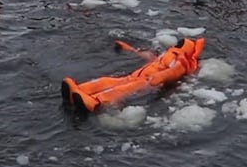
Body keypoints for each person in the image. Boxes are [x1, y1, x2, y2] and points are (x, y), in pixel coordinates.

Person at [61, 38, 206, 114]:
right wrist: (127, 48)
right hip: (134, 76)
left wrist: (161, 77)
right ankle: (78, 90)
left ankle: (93, 102)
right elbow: (148, 56)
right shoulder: (167, 55)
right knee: (108, 81)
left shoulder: (180, 60)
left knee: (121, 90)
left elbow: (175, 71)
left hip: (147, 83)